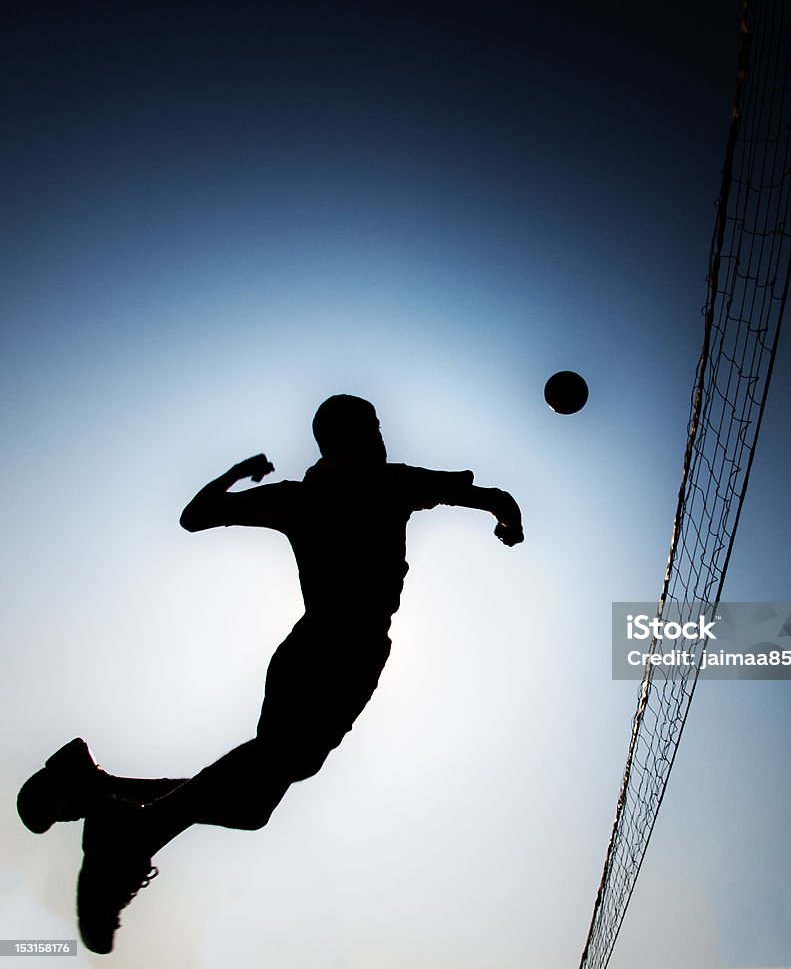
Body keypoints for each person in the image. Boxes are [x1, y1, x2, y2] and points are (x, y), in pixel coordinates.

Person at [17, 394, 524, 954]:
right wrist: (508, 521)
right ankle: (130, 833)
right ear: (361, 433)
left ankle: (100, 791)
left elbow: (196, 516)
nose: (381, 434)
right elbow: (490, 497)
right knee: (270, 769)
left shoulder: (300, 498)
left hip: (308, 649)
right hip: (348, 649)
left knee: (252, 801)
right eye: (375, 425)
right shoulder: (393, 482)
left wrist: (238, 472)